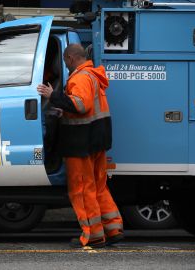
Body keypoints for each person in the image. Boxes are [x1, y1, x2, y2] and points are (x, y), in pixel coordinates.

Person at [37, 44, 124, 248]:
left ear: (70, 58)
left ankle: (93, 235)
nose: (65, 67)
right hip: (95, 141)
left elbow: (80, 105)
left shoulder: (80, 78)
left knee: (82, 189)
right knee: (98, 187)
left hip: (81, 143)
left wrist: (54, 96)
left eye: (65, 62)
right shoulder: (93, 75)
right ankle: (112, 228)